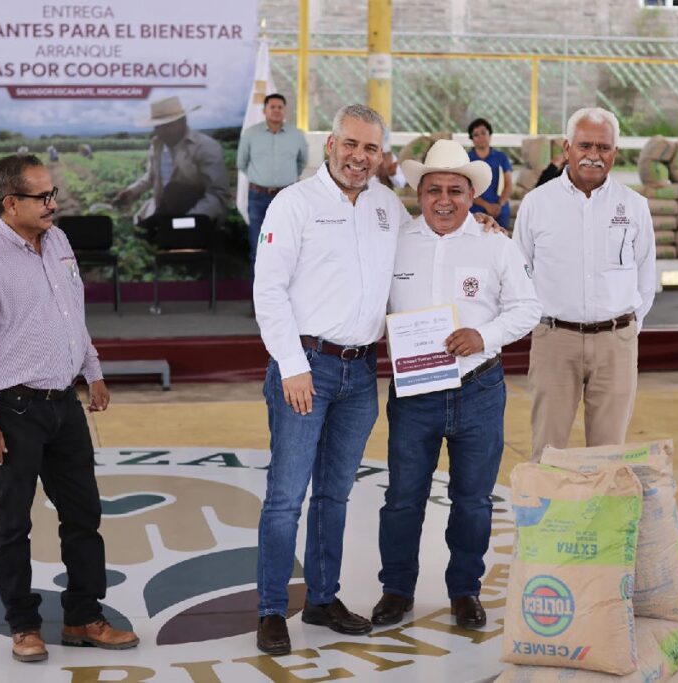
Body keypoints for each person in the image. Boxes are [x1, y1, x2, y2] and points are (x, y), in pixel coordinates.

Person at [0, 154, 139, 663]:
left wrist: (92, 371)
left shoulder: (60, 242)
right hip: (12, 410)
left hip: (65, 404)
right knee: (13, 522)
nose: (54, 204)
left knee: (84, 514)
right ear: (11, 204)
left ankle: (84, 617)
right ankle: (23, 626)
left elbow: (73, 313)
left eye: (53, 194)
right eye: (43, 197)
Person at [252, 103, 408, 656]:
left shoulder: (389, 208)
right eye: (350, 144)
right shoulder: (294, 204)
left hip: (362, 371)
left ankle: (321, 599)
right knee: (286, 498)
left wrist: (477, 225)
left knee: (335, 496)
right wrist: (292, 365)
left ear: (379, 155)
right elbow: (268, 289)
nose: (359, 157)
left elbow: (424, 257)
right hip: (307, 367)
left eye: (370, 148)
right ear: (329, 145)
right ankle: (272, 608)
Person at [371, 140, 542, 630]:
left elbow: (527, 308)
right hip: (414, 392)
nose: (443, 200)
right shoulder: (397, 241)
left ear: (472, 195)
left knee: (473, 501)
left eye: (454, 191)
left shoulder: (495, 244)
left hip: (479, 391)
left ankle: (465, 590)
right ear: (418, 194)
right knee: (403, 498)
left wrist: (482, 335)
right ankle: (396, 589)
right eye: (433, 190)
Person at [513, 107, 656, 460]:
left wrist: (625, 330)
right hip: (554, 341)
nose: (594, 155)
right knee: (548, 450)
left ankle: (602, 517)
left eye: (604, 148)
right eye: (585, 145)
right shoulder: (536, 204)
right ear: (567, 148)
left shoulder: (634, 206)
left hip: (616, 343)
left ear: (615, 153)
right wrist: (542, 326)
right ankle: (547, 517)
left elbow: (646, 276)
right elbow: (520, 272)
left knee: (608, 455)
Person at [113, 96, 229, 226]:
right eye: (158, 126)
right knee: (141, 231)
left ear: (183, 121)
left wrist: (187, 222)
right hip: (163, 209)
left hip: (198, 214)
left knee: (175, 191)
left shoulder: (205, 147)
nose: (162, 131)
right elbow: (152, 177)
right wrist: (131, 191)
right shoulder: (157, 145)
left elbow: (217, 194)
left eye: (168, 125)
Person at [237, 93, 307, 271]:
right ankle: (258, 299)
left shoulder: (296, 135)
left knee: (289, 250)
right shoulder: (251, 134)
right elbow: (241, 163)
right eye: (272, 107)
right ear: (264, 110)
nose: (276, 110)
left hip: (287, 199)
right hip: (258, 198)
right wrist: (261, 180)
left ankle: (286, 298)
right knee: (258, 250)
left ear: (285, 110)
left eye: (280, 107)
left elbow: (301, 163)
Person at [466, 118, 513, 229]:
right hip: (474, 203)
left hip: (498, 204)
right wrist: (487, 206)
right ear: (472, 139)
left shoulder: (502, 157)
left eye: (483, 132)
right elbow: (464, 188)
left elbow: (509, 185)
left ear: (490, 135)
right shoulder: (466, 158)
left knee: (501, 227)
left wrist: (499, 204)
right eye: (476, 134)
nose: (481, 137)